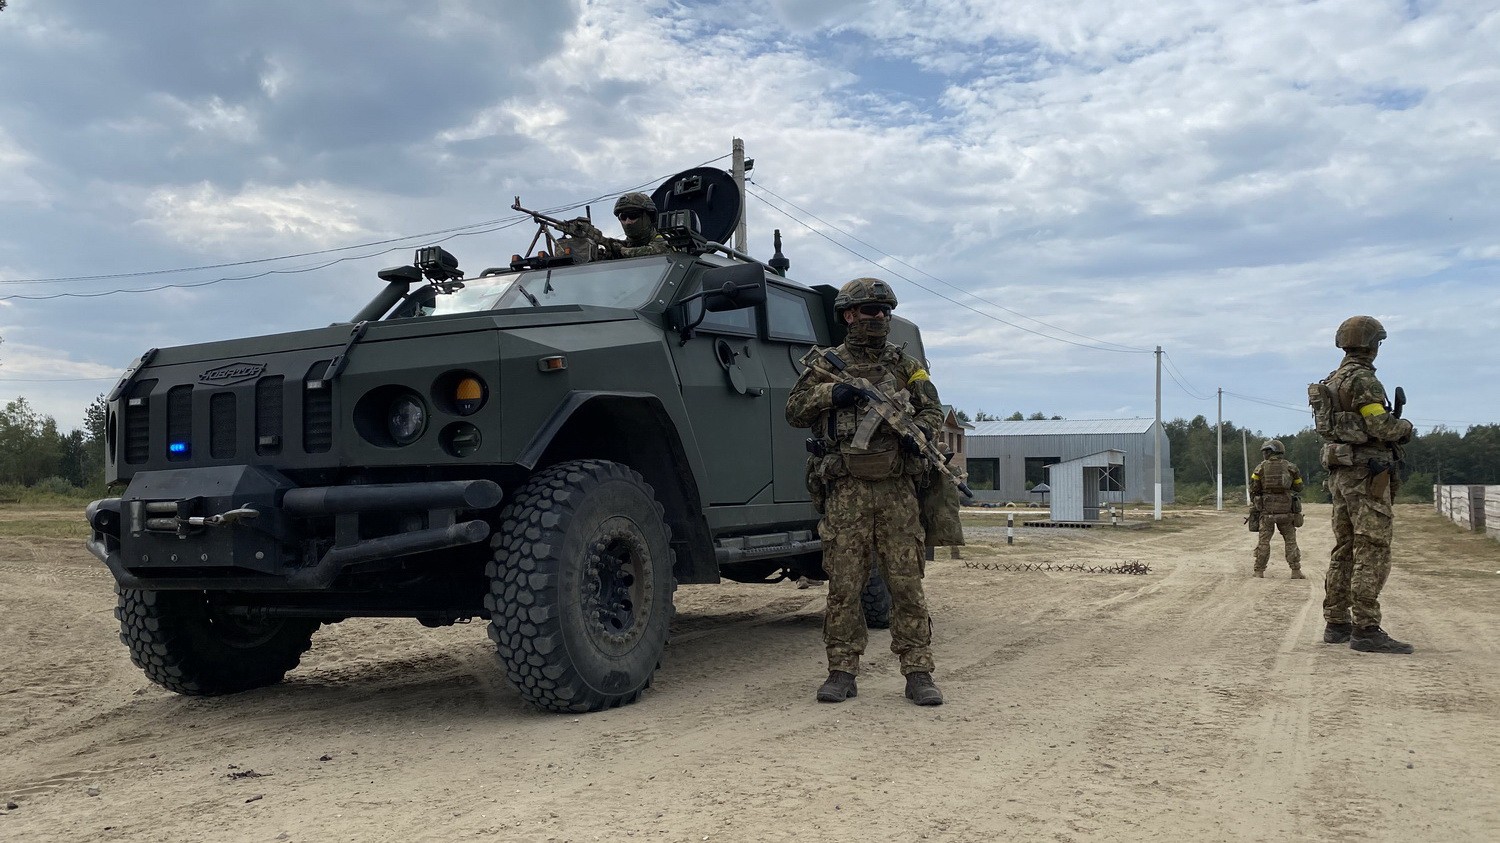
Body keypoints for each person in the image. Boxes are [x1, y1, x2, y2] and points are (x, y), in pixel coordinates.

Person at [785, 277, 947, 706]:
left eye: (886, 311)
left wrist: (919, 433)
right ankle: (841, 671)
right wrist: (833, 393)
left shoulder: (906, 364)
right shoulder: (828, 364)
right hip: (847, 489)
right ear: (849, 315)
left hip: (897, 490)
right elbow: (794, 410)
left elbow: (933, 409)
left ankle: (918, 672)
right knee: (844, 585)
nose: (880, 318)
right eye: (872, 310)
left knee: (906, 584)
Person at [1315, 315, 1416, 654]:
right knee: (1372, 546)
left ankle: (1336, 623)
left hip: (1341, 472)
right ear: (1372, 344)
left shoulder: (1333, 380)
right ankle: (1366, 629)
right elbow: (1380, 427)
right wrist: (1404, 427)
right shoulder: (1363, 380)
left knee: (1345, 547)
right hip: (1367, 473)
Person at [1249, 439, 1305, 578]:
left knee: (1264, 542)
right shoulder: (1292, 468)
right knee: (1290, 541)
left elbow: (1254, 488)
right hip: (1286, 511)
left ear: (1270, 452)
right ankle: (1295, 571)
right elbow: (1299, 487)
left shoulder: (1259, 468)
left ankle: (1259, 571)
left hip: (1267, 512)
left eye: (1265, 452)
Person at [609, 192, 669, 257]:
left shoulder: (665, 242)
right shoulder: (624, 246)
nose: (627, 222)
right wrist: (606, 242)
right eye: (623, 217)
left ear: (650, 217)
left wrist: (623, 251)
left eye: (633, 215)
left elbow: (659, 249)